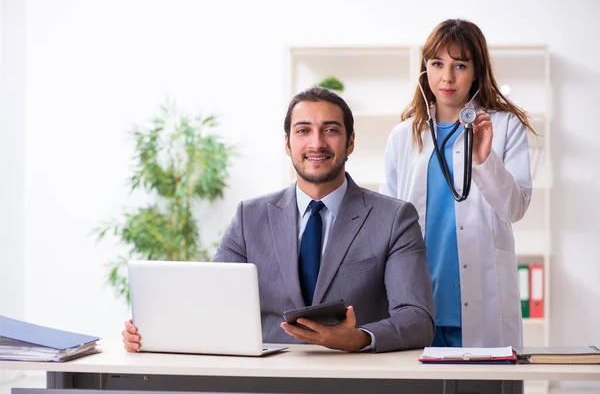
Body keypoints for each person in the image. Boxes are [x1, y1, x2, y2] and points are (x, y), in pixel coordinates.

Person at [122, 87, 435, 353]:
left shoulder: (394, 218)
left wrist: (358, 338)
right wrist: (153, 330)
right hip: (266, 383)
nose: (316, 143)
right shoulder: (250, 217)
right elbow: (212, 304)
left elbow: (418, 320)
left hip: (355, 381)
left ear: (350, 142)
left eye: (330, 129)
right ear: (287, 143)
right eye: (303, 131)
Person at [380, 19, 534, 348]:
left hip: (482, 302)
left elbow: (515, 208)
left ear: (477, 71)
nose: (446, 77)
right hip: (418, 302)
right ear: (425, 69)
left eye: (459, 65)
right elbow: (386, 225)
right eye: (437, 64)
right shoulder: (404, 136)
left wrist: (484, 160)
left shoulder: (505, 127)